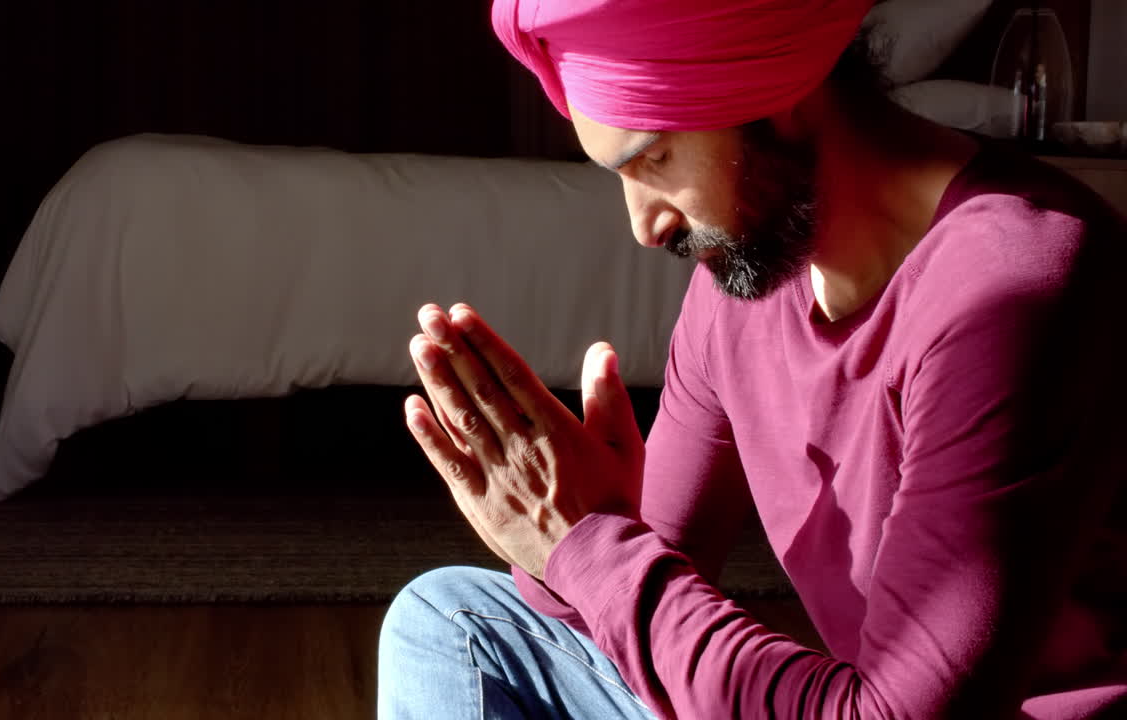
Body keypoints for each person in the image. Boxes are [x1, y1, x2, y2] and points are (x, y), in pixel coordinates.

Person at [377, 0, 1127, 717]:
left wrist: (585, 537)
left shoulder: (1016, 283)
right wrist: (570, 518)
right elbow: (612, 613)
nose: (643, 225)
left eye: (656, 159)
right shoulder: (747, 282)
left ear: (776, 96)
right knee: (453, 621)